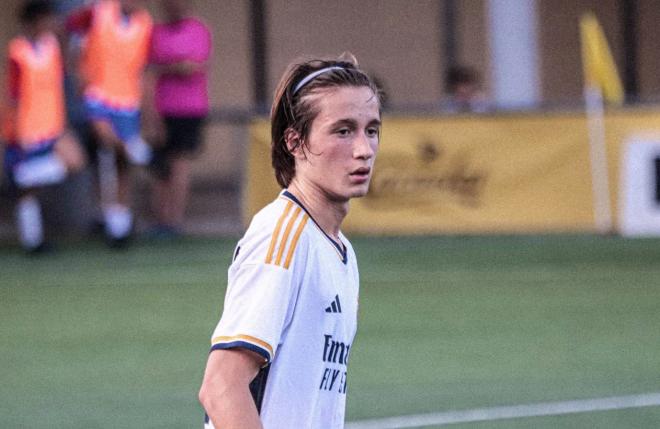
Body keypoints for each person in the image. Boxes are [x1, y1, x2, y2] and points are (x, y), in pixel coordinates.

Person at [198, 54, 382, 428]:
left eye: (372, 130)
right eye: (343, 131)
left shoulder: (338, 249)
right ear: (295, 142)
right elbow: (221, 386)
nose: (363, 149)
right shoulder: (282, 236)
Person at [67, 0, 153, 246]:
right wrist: (78, 72)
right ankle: (141, 153)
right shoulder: (99, 11)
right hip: (98, 93)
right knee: (105, 136)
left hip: (127, 101)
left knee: (121, 167)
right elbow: (73, 28)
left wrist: (147, 110)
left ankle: (119, 226)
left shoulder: (143, 22)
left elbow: (143, 66)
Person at [2, 0, 84, 253]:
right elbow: (12, 95)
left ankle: (22, 176)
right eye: (48, 20)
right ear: (34, 22)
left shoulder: (52, 48)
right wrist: (12, 129)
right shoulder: (18, 51)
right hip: (27, 129)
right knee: (30, 190)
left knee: (74, 162)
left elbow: (58, 84)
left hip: (52, 124)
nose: (52, 24)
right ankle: (33, 240)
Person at [147, 0, 212, 238]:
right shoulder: (156, 32)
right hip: (162, 109)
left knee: (179, 162)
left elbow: (192, 66)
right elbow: (151, 68)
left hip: (189, 109)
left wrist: (168, 66)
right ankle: (159, 219)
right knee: (159, 166)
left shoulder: (197, 30)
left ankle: (174, 220)